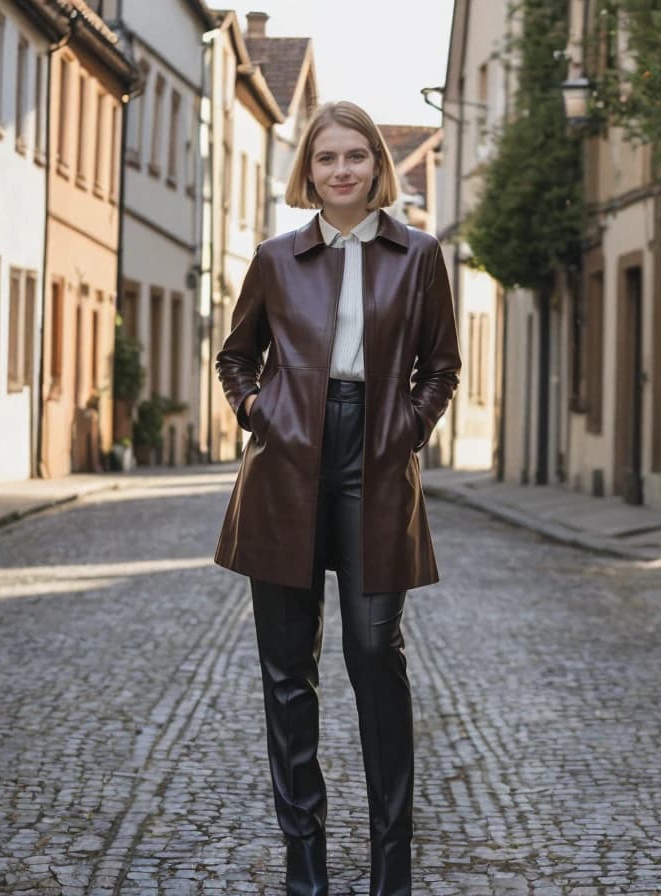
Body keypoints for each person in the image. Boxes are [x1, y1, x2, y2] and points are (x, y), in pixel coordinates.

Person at [213, 100, 461, 896]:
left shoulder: (418, 254)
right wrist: (261, 412)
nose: (343, 170)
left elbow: (442, 366)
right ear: (308, 171)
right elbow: (235, 356)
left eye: (357, 156)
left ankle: (392, 868)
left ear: (377, 167)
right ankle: (305, 864)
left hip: (377, 465)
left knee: (372, 657)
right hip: (286, 466)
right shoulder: (276, 257)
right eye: (327, 158)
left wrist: (404, 432)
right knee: (288, 675)